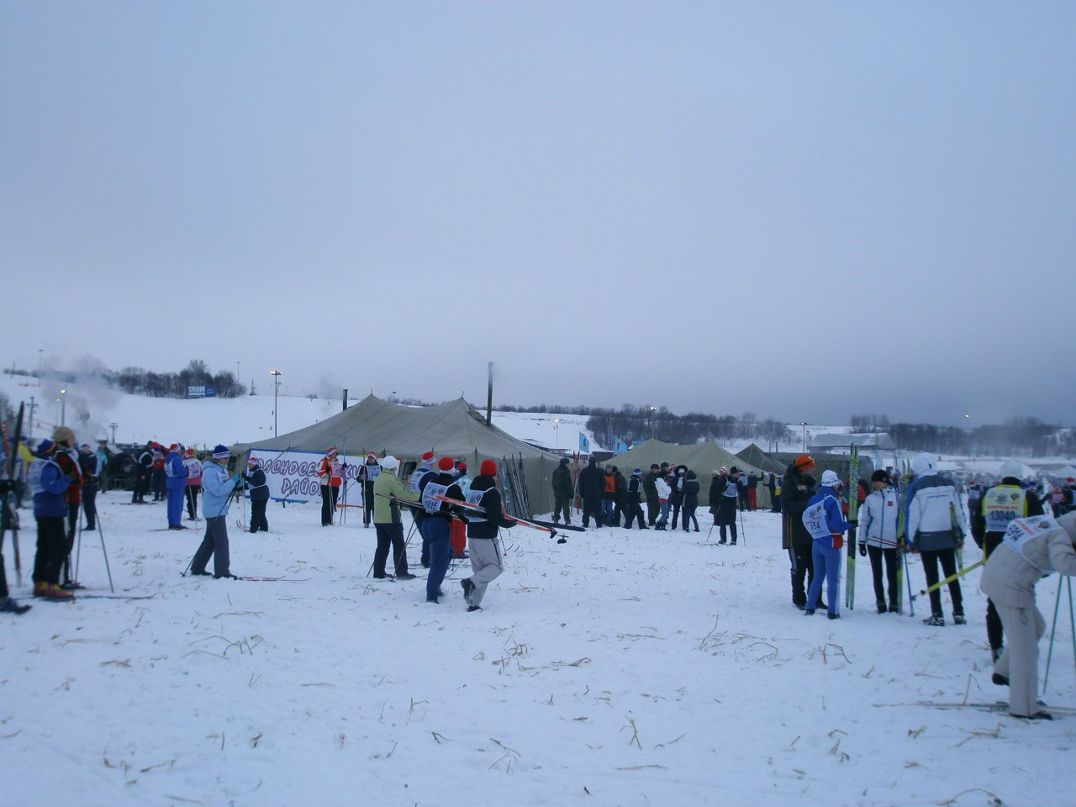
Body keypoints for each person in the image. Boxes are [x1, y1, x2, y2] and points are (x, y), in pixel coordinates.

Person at [980, 512, 1076, 719]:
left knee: (1037, 627)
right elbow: (1065, 564)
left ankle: (1003, 671)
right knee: (1025, 650)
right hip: (1012, 589)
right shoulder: (1060, 536)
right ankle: (1023, 707)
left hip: (997, 576)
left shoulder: (1046, 523)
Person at [971, 461, 1044, 661]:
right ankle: (1022, 645)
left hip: (993, 555)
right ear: (1020, 477)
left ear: (1001, 476)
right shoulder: (1028, 497)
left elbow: (977, 524)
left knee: (994, 602)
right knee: (1024, 601)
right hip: (1021, 557)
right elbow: (1041, 527)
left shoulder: (988, 495)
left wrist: (982, 544)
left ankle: (996, 647)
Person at [906, 452, 968, 627]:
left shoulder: (917, 486)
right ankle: (958, 612)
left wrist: (910, 540)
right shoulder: (949, 484)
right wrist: (961, 534)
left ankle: (937, 614)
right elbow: (958, 511)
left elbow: (913, 516)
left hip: (927, 539)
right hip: (948, 537)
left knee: (932, 577)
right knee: (952, 575)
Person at [460, 459, 515, 611]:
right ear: (494, 473)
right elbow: (494, 517)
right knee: (495, 568)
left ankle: (473, 603)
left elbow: (466, 511)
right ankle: (470, 583)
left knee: (481, 571)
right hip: (486, 536)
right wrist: (510, 523)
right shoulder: (492, 492)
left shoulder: (473, 490)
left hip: (471, 535)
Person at [803, 470, 853, 619]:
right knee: (833, 579)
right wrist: (849, 525)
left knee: (817, 577)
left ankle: (810, 606)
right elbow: (836, 526)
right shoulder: (833, 501)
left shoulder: (813, 499)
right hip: (831, 544)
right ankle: (833, 611)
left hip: (816, 543)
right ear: (834, 483)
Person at [28, 439, 73, 599]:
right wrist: (67, 479)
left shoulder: (34, 464)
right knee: (58, 547)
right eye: (54, 449)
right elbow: (53, 486)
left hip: (40, 508)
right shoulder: (48, 466)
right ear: (48, 451)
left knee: (44, 546)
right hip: (52, 509)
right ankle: (52, 584)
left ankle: (39, 582)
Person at [190, 445, 242, 579]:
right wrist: (232, 482)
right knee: (222, 542)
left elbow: (224, 486)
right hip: (213, 511)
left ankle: (197, 567)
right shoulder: (210, 472)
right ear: (219, 458)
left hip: (218, 509)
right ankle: (222, 572)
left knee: (210, 541)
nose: (228, 459)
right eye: (226, 457)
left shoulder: (220, 470)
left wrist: (237, 484)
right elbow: (218, 490)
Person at [417, 456, 465, 603]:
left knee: (447, 554)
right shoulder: (453, 487)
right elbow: (461, 505)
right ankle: (431, 595)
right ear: (452, 468)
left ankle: (435, 586)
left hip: (426, 522)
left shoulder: (430, 483)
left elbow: (421, 501)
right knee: (439, 561)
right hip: (440, 524)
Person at [858, 469, 901, 614]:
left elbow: (901, 519)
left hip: (891, 541)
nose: (873, 484)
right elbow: (864, 521)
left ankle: (894, 602)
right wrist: (861, 541)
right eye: (873, 482)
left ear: (884, 482)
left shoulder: (896, 497)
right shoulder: (870, 499)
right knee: (877, 573)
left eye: (876, 482)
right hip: (873, 541)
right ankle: (880, 602)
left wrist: (903, 536)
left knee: (892, 573)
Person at [783, 454, 822, 610]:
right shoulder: (789, 483)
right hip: (795, 533)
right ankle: (799, 598)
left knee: (815, 568)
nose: (814, 470)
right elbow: (787, 505)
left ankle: (816, 598)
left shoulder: (812, 484)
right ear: (804, 468)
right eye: (811, 467)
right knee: (799, 568)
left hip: (813, 533)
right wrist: (809, 505)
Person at [370, 455, 419, 579]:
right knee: (399, 545)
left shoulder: (379, 478)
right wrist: (419, 496)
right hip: (391, 518)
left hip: (378, 518)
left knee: (382, 546)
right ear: (393, 467)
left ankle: (378, 572)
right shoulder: (392, 479)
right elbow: (403, 495)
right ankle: (402, 572)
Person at [51, 426, 82, 589]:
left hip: (73, 498)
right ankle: (62, 577)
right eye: (71, 437)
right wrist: (77, 480)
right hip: (68, 500)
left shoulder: (67, 455)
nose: (73, 440)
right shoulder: (62, 456)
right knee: (65, 537)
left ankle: (64, 575)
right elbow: (68, 477)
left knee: (68, 537)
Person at [709, 468, 739, 544]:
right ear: (732, 474)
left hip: (733, 502)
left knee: (732, 522)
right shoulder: (725, 479)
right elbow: (720, 489)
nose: (737, 475)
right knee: (722, 521)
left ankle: (733, 540)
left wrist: (740, 487)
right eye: (736, 473)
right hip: (724, 502)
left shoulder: (738, 480)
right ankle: (723, 539)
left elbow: (741, 490)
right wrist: (724, 488)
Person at [243, 456, 270, 533]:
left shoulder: (258, 471)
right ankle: (264, 527)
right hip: (258, 495)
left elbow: (257, 482)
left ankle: (253, 529)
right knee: (260, 512)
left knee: (255, 512)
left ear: (253, 464)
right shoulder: (253, 471)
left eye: (249, 464)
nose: (248, 465)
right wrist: (241, 487)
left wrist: (246, 478)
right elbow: (252, 484)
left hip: (260, 496)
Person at [164, 443, 187, 530]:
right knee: (177, 503)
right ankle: (176, 523)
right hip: (178, 482)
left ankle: (171, 522)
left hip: (170, 481)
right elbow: (180, 471)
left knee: (171, 503)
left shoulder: (168, 458)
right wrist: (186, 471)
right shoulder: (177, 458)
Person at [577, 456, 604, 528]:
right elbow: (603, 484)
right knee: (597, 509)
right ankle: (599, 524)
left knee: (586, 510)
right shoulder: (600, 471)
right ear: (595, 462)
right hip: (597, 494)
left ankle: (585, 523)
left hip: (587, 493)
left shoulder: (584, 471)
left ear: (589, 462)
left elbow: (580, 483)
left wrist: (581, 493)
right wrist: (602, 493)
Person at [317, 448, 340, 526]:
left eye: (336, 454)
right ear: (330, 454)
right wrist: (326, 471)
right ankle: (324, 521)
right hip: (326, 484)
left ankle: (330, 520)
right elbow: (318, 472)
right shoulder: (324, 461)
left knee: (332, 503)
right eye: (334, 454)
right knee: (326, 502)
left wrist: (343, 469)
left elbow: (337, 472)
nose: (335, 455)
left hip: (335, 484)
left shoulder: (336, 462)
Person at [78, 443, 99, 531]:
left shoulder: (92, 457)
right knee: (86, 503)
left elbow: (86, 467)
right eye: (83, 448)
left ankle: (91, 524)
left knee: (89, 504)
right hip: (83, 483)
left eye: (86, 448)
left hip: (91, 483)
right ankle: (90, 522)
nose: (84, 450)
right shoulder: (81, 456)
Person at [357, 453, 380, 528]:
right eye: (369, 458)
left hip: (377, 490)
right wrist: (361, 478)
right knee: (366, 507)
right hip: (366, 489)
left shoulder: (380, 467)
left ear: (375, 459)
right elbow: (358, 478)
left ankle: (376, 522)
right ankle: (366, 522)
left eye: (372, 458)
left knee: (376, 507)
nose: (370, 459)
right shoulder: (364, 467)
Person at [551, 456, 573, 525]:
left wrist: (555, 491)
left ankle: (555, 519)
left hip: (557, 492)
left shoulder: (555, 471)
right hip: (565, 492)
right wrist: (571, 493)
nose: (568, 465)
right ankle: (567, 520)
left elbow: (553, 483)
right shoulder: (566, 472)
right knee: (565, 507)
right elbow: (568, 484)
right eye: (567, 463)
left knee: (557, 506)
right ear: (564, 464)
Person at [183, 448, 202, 520]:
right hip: (197, 482)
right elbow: (201, 471)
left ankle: (192, 514)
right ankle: (194, 513)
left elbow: (184, 472)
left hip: (188, 482)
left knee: (190, 499)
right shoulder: (197, 461)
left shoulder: (184, 462)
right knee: (194, 498)